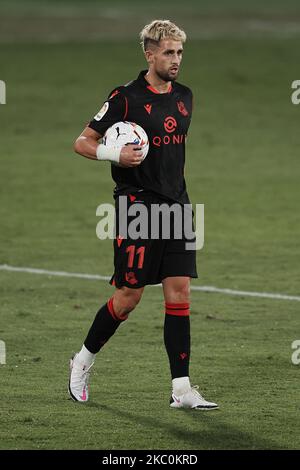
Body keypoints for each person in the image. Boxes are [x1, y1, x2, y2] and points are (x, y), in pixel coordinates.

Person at [69, 19, 218, 410]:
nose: (175, 60)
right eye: (168, 52)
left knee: (180, 292)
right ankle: (83, 360)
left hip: (177, 208)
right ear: (149, 54)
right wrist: (113, 154)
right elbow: (82, 142)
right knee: (128, 298)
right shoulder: (124, 98)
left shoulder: (185, 96)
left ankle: (181, 389)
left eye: (180, 52)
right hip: (137, 209)